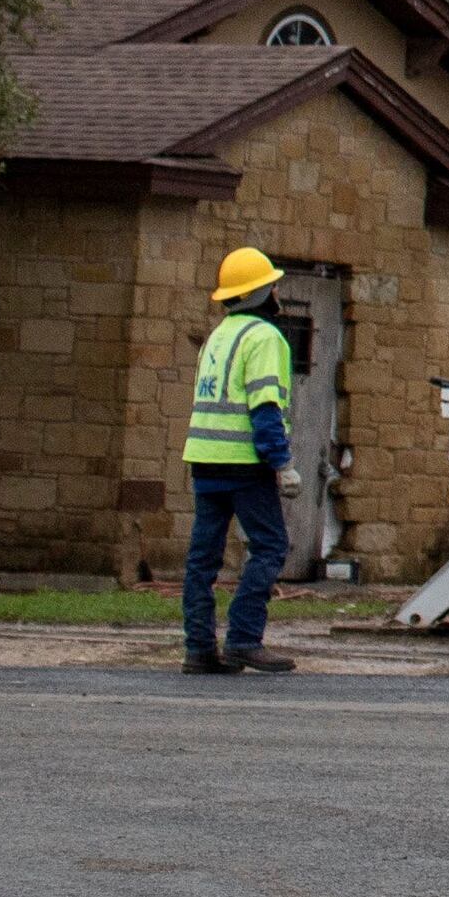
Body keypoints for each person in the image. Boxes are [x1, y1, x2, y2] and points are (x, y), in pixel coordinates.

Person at [181, 246, 306, 676]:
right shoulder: (265, 337)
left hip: (204, 460)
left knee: (203, 560)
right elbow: (265, 408)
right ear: (259, 293)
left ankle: (198, 650)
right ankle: (243, 640)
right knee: (271, 546)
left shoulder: (218, 335)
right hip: (244, 463)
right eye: (273, 285)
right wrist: (282, 463)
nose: (277, 292)